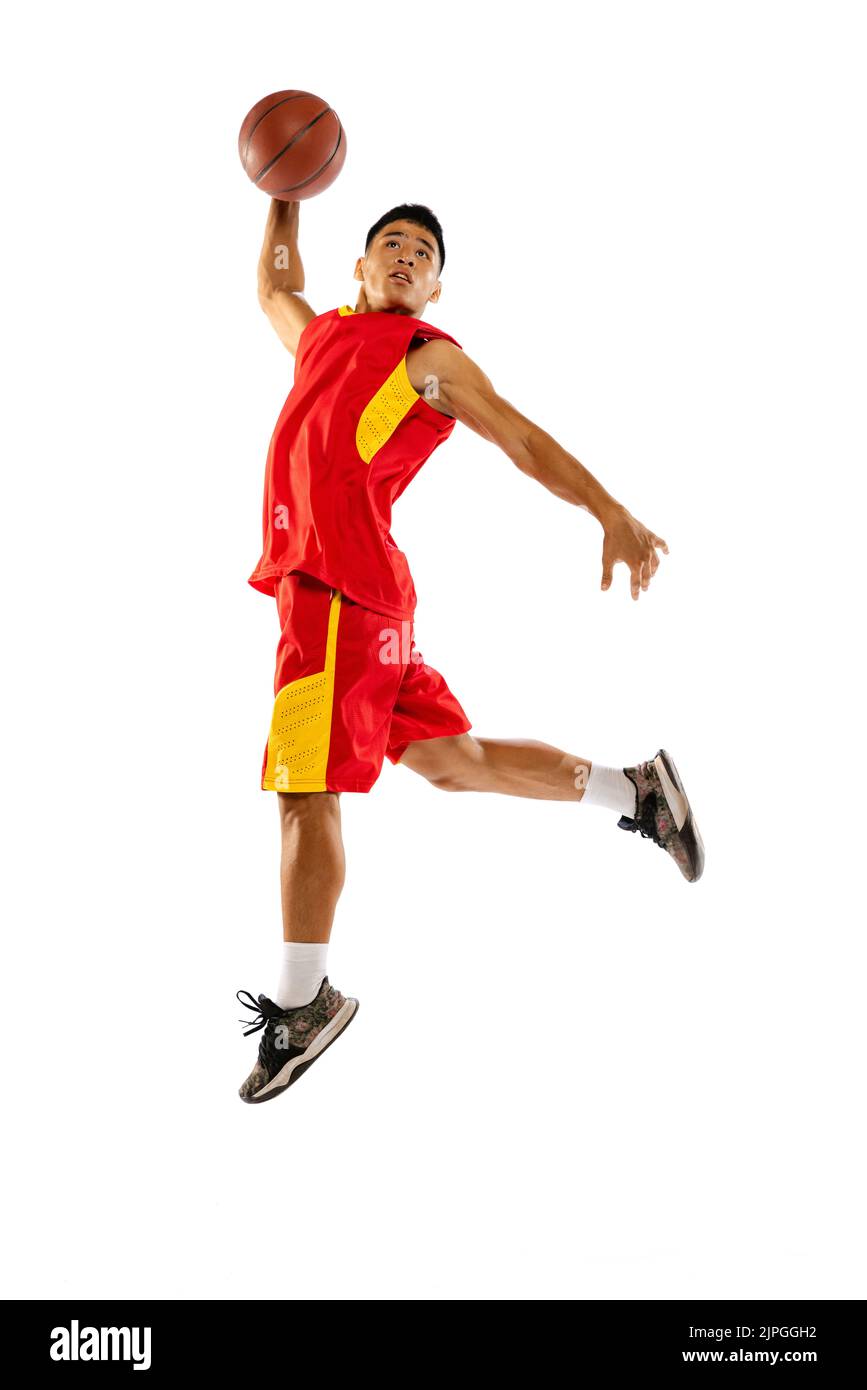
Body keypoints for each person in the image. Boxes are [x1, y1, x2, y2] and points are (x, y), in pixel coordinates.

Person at [236, 199, 705, 1105]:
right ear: (362, 267)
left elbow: (517, 436)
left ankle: (301, 1004)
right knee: (451, 762)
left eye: (424, 252)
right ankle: (638, 790)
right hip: (355, 600)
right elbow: (271, 285)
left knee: (305, 788)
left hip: (337, 598)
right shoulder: (322, 337)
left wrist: (608, 511)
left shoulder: (423, 359)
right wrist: (283, 195)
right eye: (391, 245)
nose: (407, 256)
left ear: (437, 285)